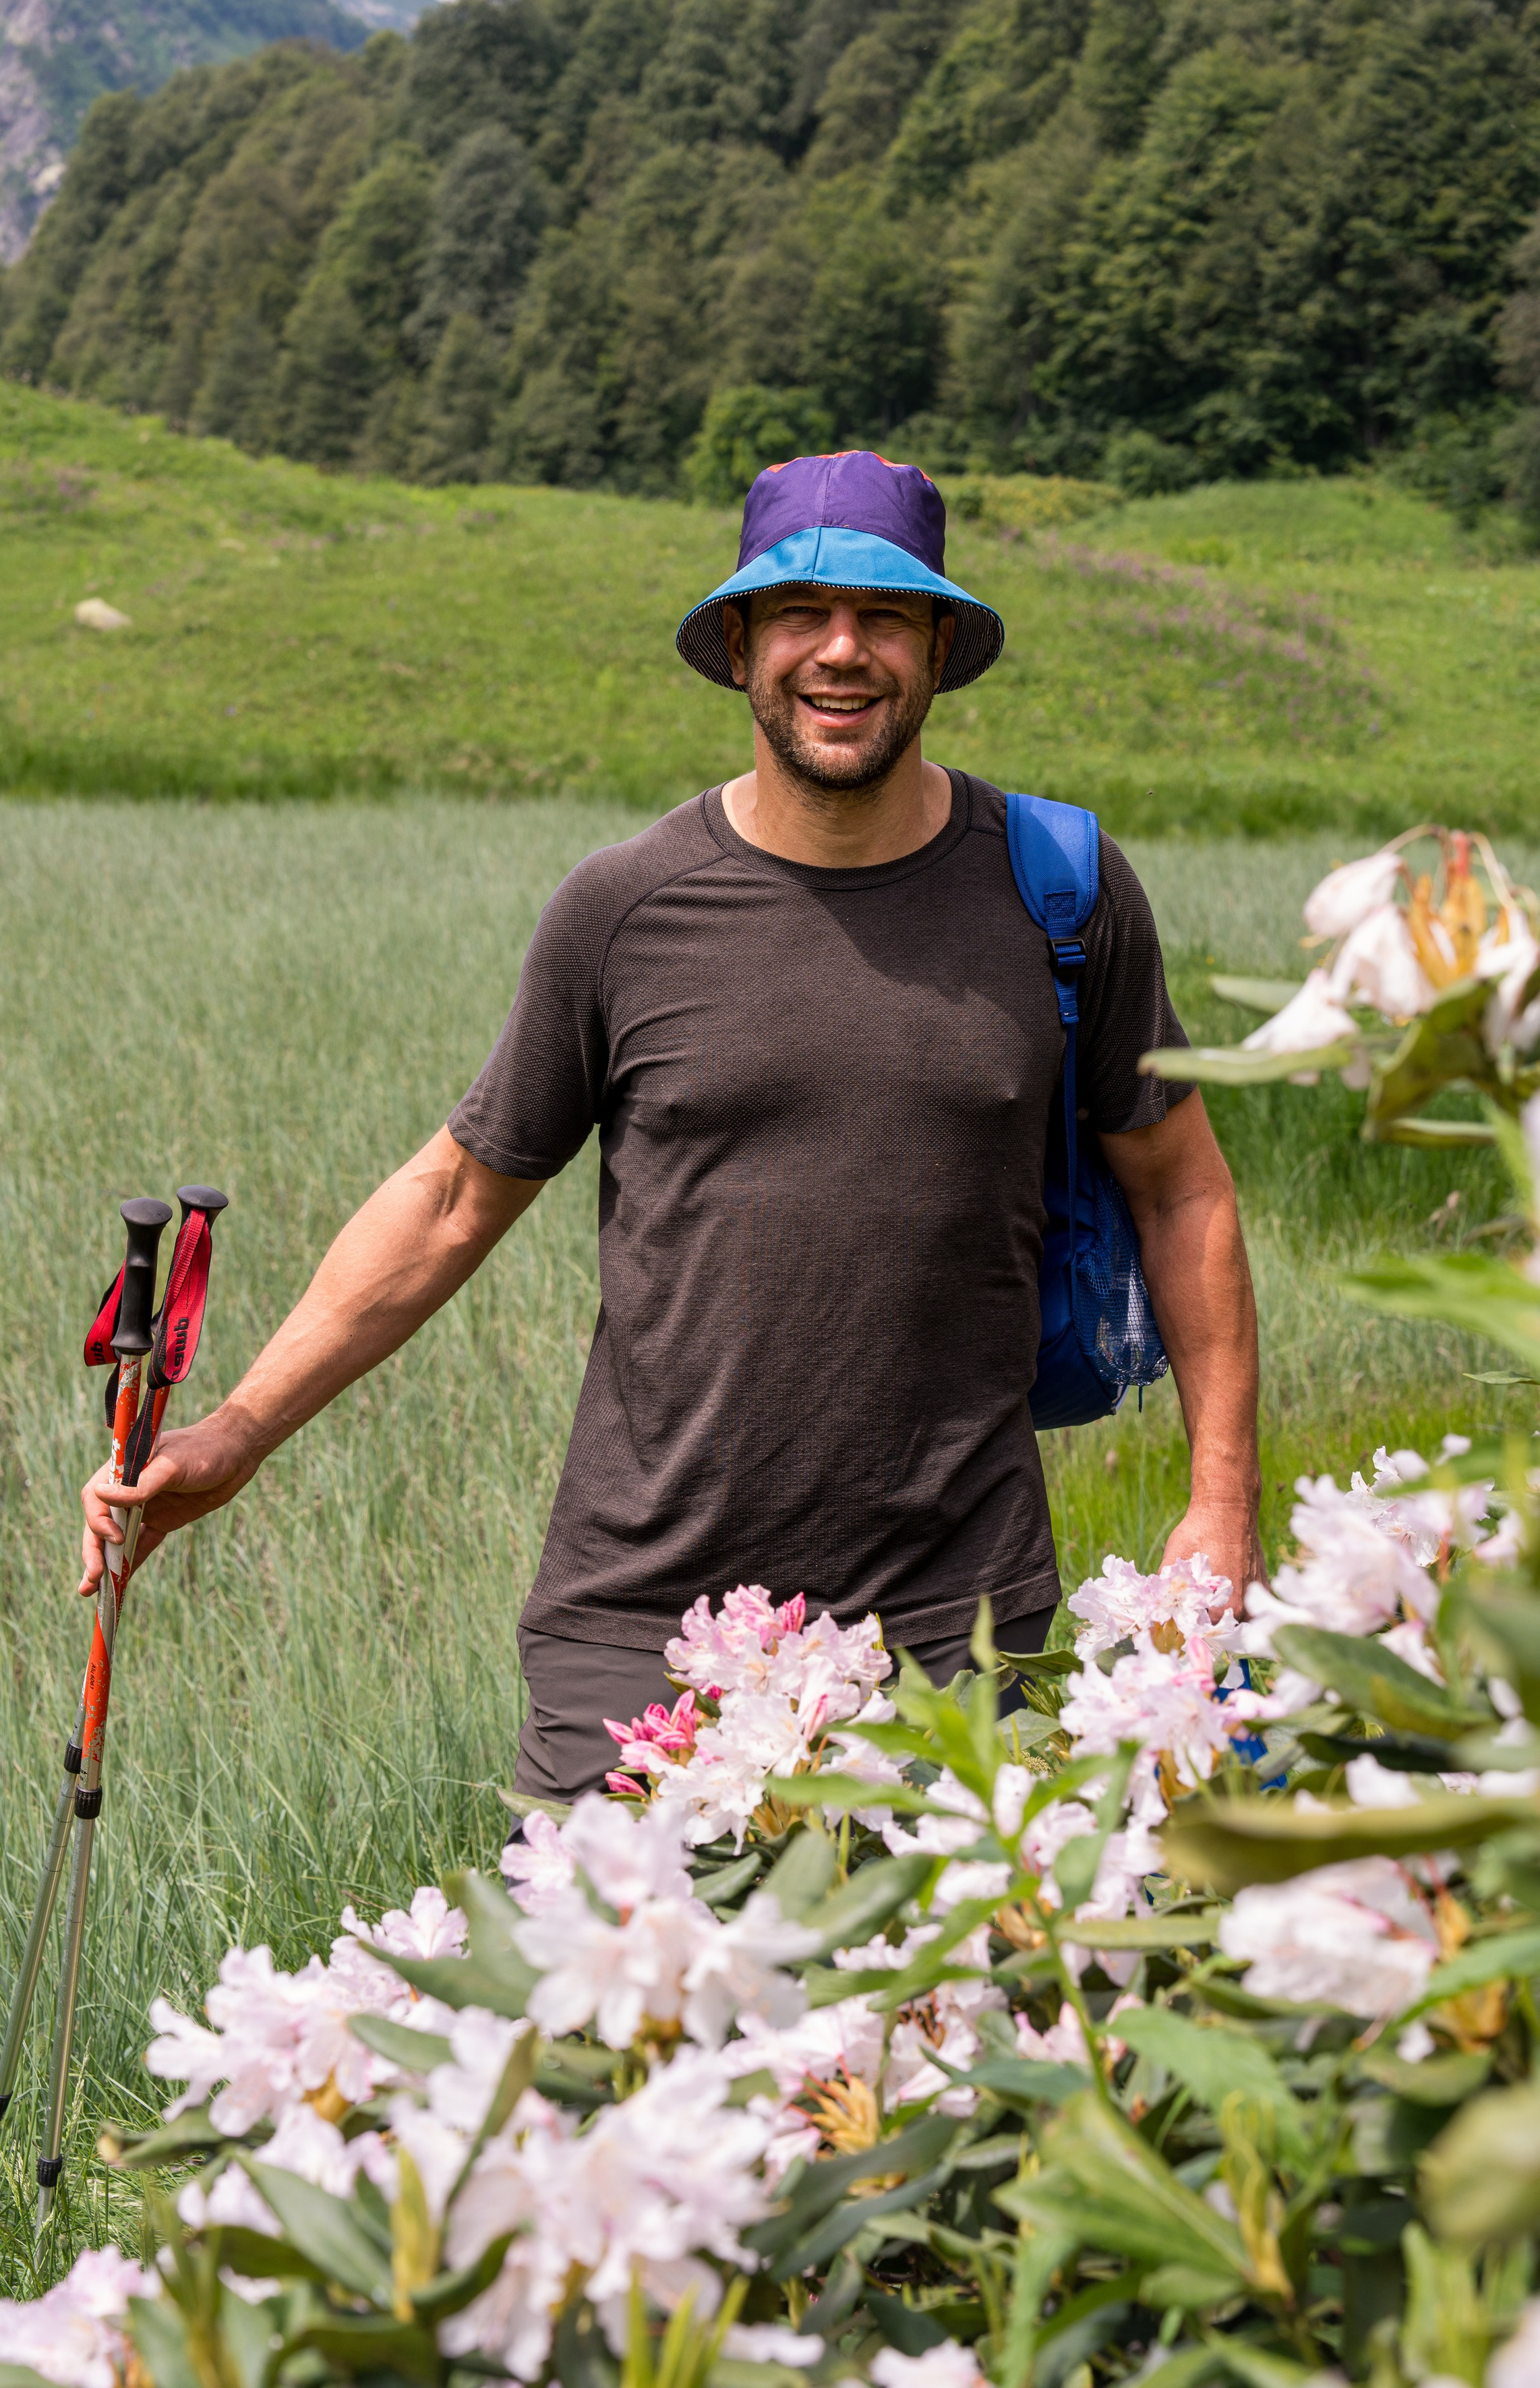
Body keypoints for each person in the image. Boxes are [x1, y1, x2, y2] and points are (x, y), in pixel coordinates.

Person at [80, 453, 1262, 1803]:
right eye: (800, 613)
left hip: (954, 1635)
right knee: (604, 2012)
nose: (840, 651)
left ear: (938, 646)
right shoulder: (623, 911)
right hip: (642, 1633)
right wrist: (232, 1434)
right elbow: (455, 1198)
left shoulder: (1058, 891)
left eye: (882, 616)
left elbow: (1181, 1193)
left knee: (944, 2020)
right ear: (739, 645)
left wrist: (1218, 1498)